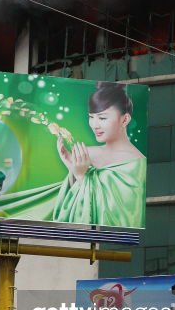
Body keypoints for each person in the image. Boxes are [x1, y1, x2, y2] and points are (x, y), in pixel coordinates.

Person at [53, 82, 146, 228]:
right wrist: (73, 170)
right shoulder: (87, 153)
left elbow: (121, 220)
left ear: (125, 119)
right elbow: (64, 215)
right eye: (91, 117)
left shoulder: (137, 164)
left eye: (102, 118)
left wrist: (82, 177)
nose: (94, 125)